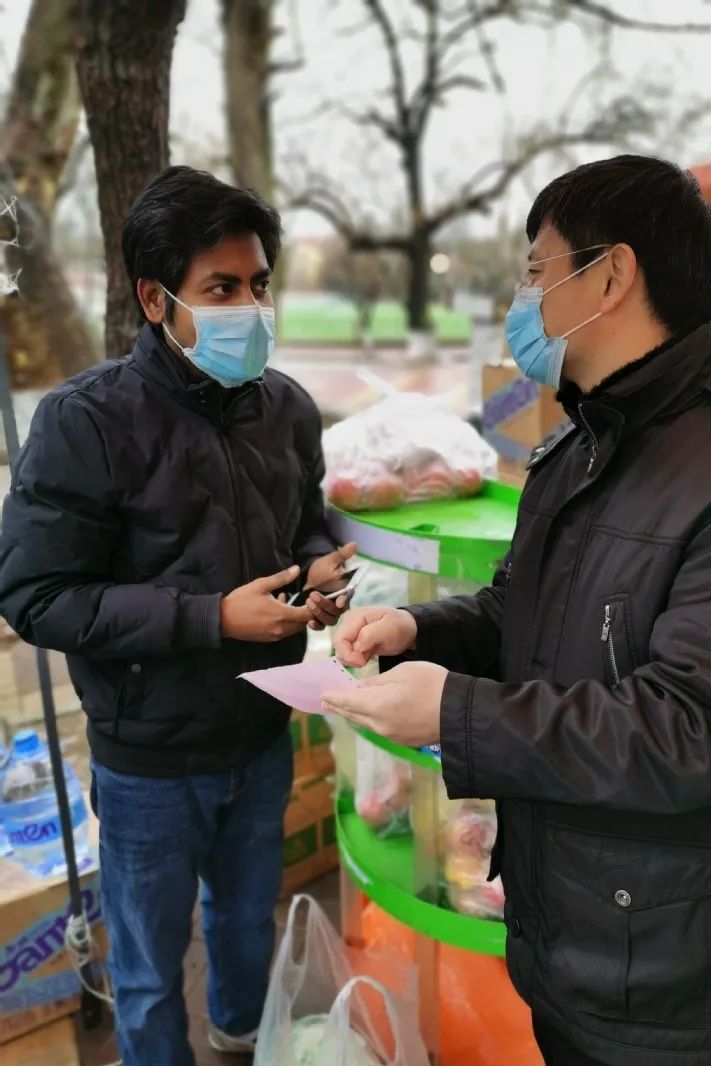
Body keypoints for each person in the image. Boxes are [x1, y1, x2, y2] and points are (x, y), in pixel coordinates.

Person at [323, 155, 711, 1066]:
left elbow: (702, 729)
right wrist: (419, 630)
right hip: (564, 927)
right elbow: (524, 611)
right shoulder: (577, 446)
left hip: (668, 968)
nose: (522, 299)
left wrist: (452, 711)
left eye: (535, 272)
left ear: (609, 276)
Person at [0, 166, 349, 1065]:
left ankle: (240, 1040)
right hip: (149, 760)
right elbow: (35, 595)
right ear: (157, 300)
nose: (251, 308)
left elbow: (300, 518)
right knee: (151, 970)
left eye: (260, 284)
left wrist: (314, 566)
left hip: (262, 732)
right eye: (222, 289)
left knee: (244, 925)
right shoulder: (86, 422)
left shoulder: (287, 410)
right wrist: (211, 620)